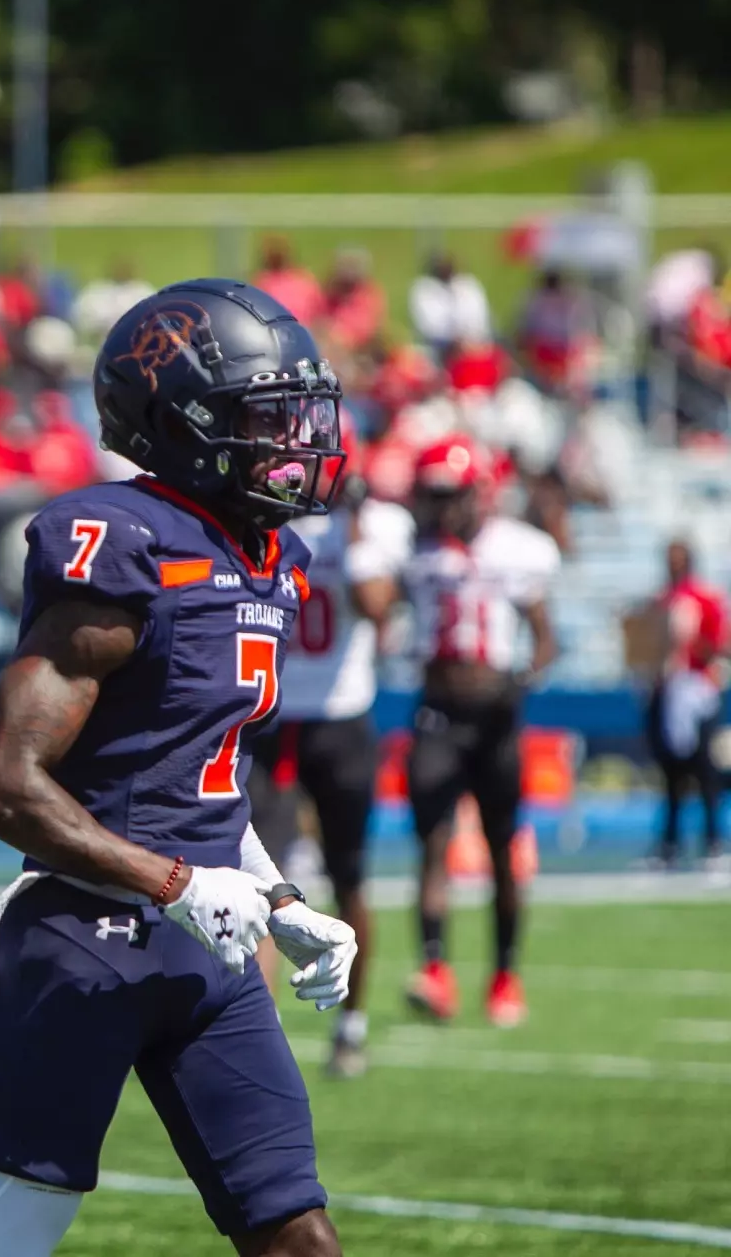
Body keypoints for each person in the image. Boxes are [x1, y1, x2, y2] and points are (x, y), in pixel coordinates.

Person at [0, 279, 356, 1257]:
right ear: (182, 425)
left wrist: (279, 900)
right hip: (85, 943)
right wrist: (172, 880)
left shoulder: (263, 558)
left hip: (206, 954)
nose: (295, 438)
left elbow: (204, 778)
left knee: (298, 1239)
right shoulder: (128, 545)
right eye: (263, 416)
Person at [246, 434, 410, 1078]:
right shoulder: (265, 519)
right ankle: (258, 1033)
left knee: (349, 879)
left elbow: (375, 607)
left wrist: (359, 532)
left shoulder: (377, 527)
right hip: (275, 720)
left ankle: (351, 1023)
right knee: (261, 882)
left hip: (341, 721)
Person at [399, 437, 558, 1028]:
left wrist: (523, 678)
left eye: (450, 495)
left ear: (479, 492)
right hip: (436, 714)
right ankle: (435, 969)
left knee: (500, 849)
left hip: (494, 718)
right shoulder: (414, 549)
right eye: (434, 495)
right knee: (432, 843)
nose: (441, 507)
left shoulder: (518, 550)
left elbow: (543, 634)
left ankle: (504, 974)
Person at [645, 539, 727, 873]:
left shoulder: (705, 599)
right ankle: (670, 843)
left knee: (705, 770)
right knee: (670, 775)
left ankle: (713, 840)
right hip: (667, 691)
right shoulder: (660, 601)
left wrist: (691, 645)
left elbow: (719, 644)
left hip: (695, 690)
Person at [408, 251, 492, 363]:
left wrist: (470, 339)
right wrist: (454, 339)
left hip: (474, 340)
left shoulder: (468, 285)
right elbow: (429, 325)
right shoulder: (423, 289)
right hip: (440, 344)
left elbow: (479, 316)